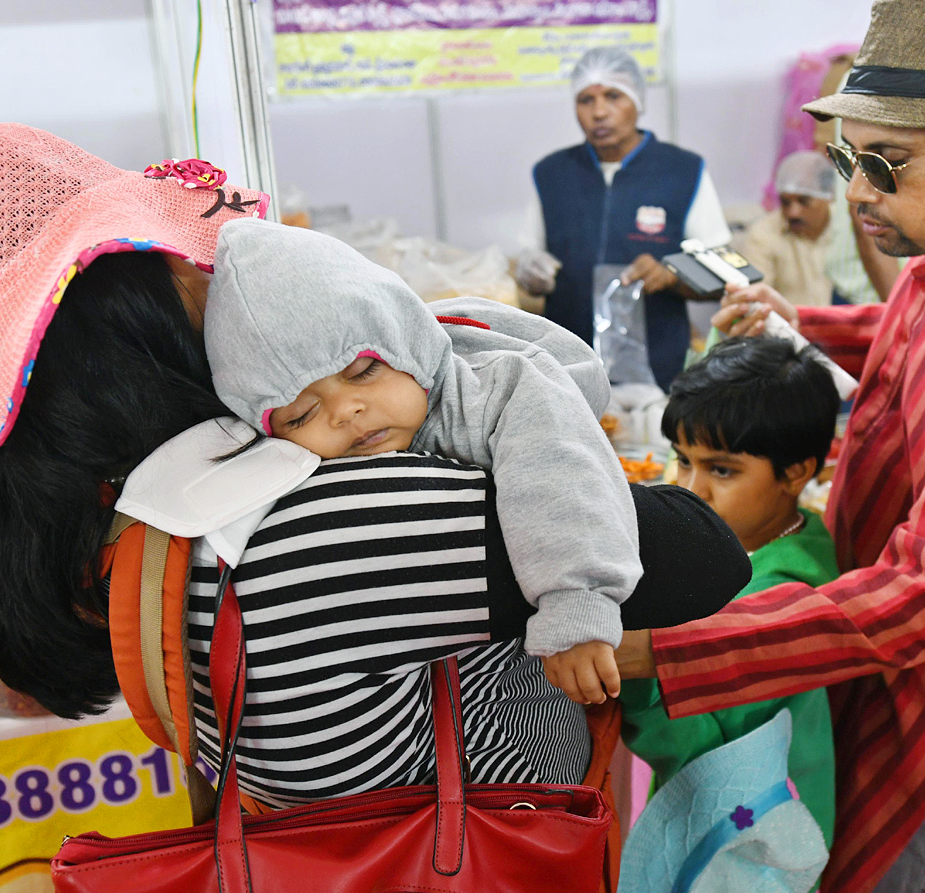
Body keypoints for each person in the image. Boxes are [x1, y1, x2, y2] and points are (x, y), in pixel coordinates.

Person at [0, 125, 749, 813]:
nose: (212, 270)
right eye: (189, 269)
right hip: (486, 851)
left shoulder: (155, 516)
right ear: (133, 335)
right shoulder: (314, 518)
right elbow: (700, 555)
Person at [613, 1, 925, 893]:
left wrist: (661, 651)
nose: (855, 192)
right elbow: (917, 340)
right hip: (864, 669)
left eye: (884, 165)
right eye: (845, 160)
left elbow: (922, 595)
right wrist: (808, 323)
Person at [204, 216, 700, 704]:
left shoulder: (498, 395)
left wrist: (577, 602)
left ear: (409, 341)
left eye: (364, 371)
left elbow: (562, 476)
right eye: (303, 413)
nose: (345, 412)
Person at [619, 337, 839, 871]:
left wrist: (629, 671)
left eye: (722, 471)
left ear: (796, 472)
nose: (691, 491)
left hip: (752, 845)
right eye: (682, 461)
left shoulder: (782, 591)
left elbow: (694, 741)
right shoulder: (781, 536)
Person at [516, 47, 732, 389]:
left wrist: (671, 275)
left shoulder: (682, 171)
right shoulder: (551, 174)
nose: (599, 112)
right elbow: (528, 256)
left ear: (638, 101)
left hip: (658, 372)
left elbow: (722, 273)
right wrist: (530, 270)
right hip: (566, 370)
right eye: (585, 100)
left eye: (613, 96)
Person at [741, 151, 838, 307]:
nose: (793, 212)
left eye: (804, 201)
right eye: (785, 202)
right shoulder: (763, 234)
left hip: (844, 326)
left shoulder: (848, 230)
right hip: (785, 328)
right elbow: (754, 301)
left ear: (828, 197)